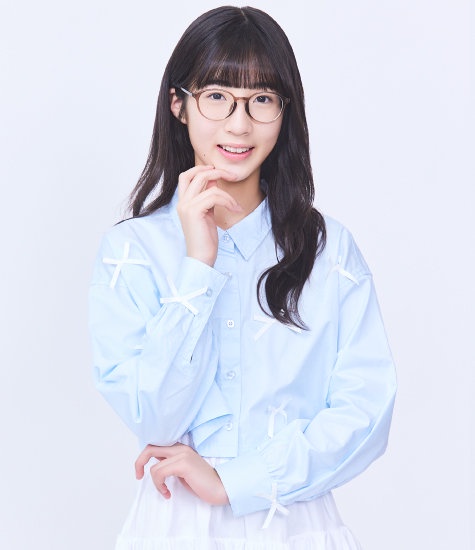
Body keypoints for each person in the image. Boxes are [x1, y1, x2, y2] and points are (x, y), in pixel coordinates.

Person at [89, 5, 396, 549]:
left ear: (285, 109)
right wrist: (198, 267)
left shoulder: (328, 249)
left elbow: (366, 412)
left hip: (296, 526)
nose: (239, 124)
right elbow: (154, 419)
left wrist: (237, 481)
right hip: (174, 528)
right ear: (179, 104)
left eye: (262, 99)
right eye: (217, 96)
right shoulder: (131, 252)